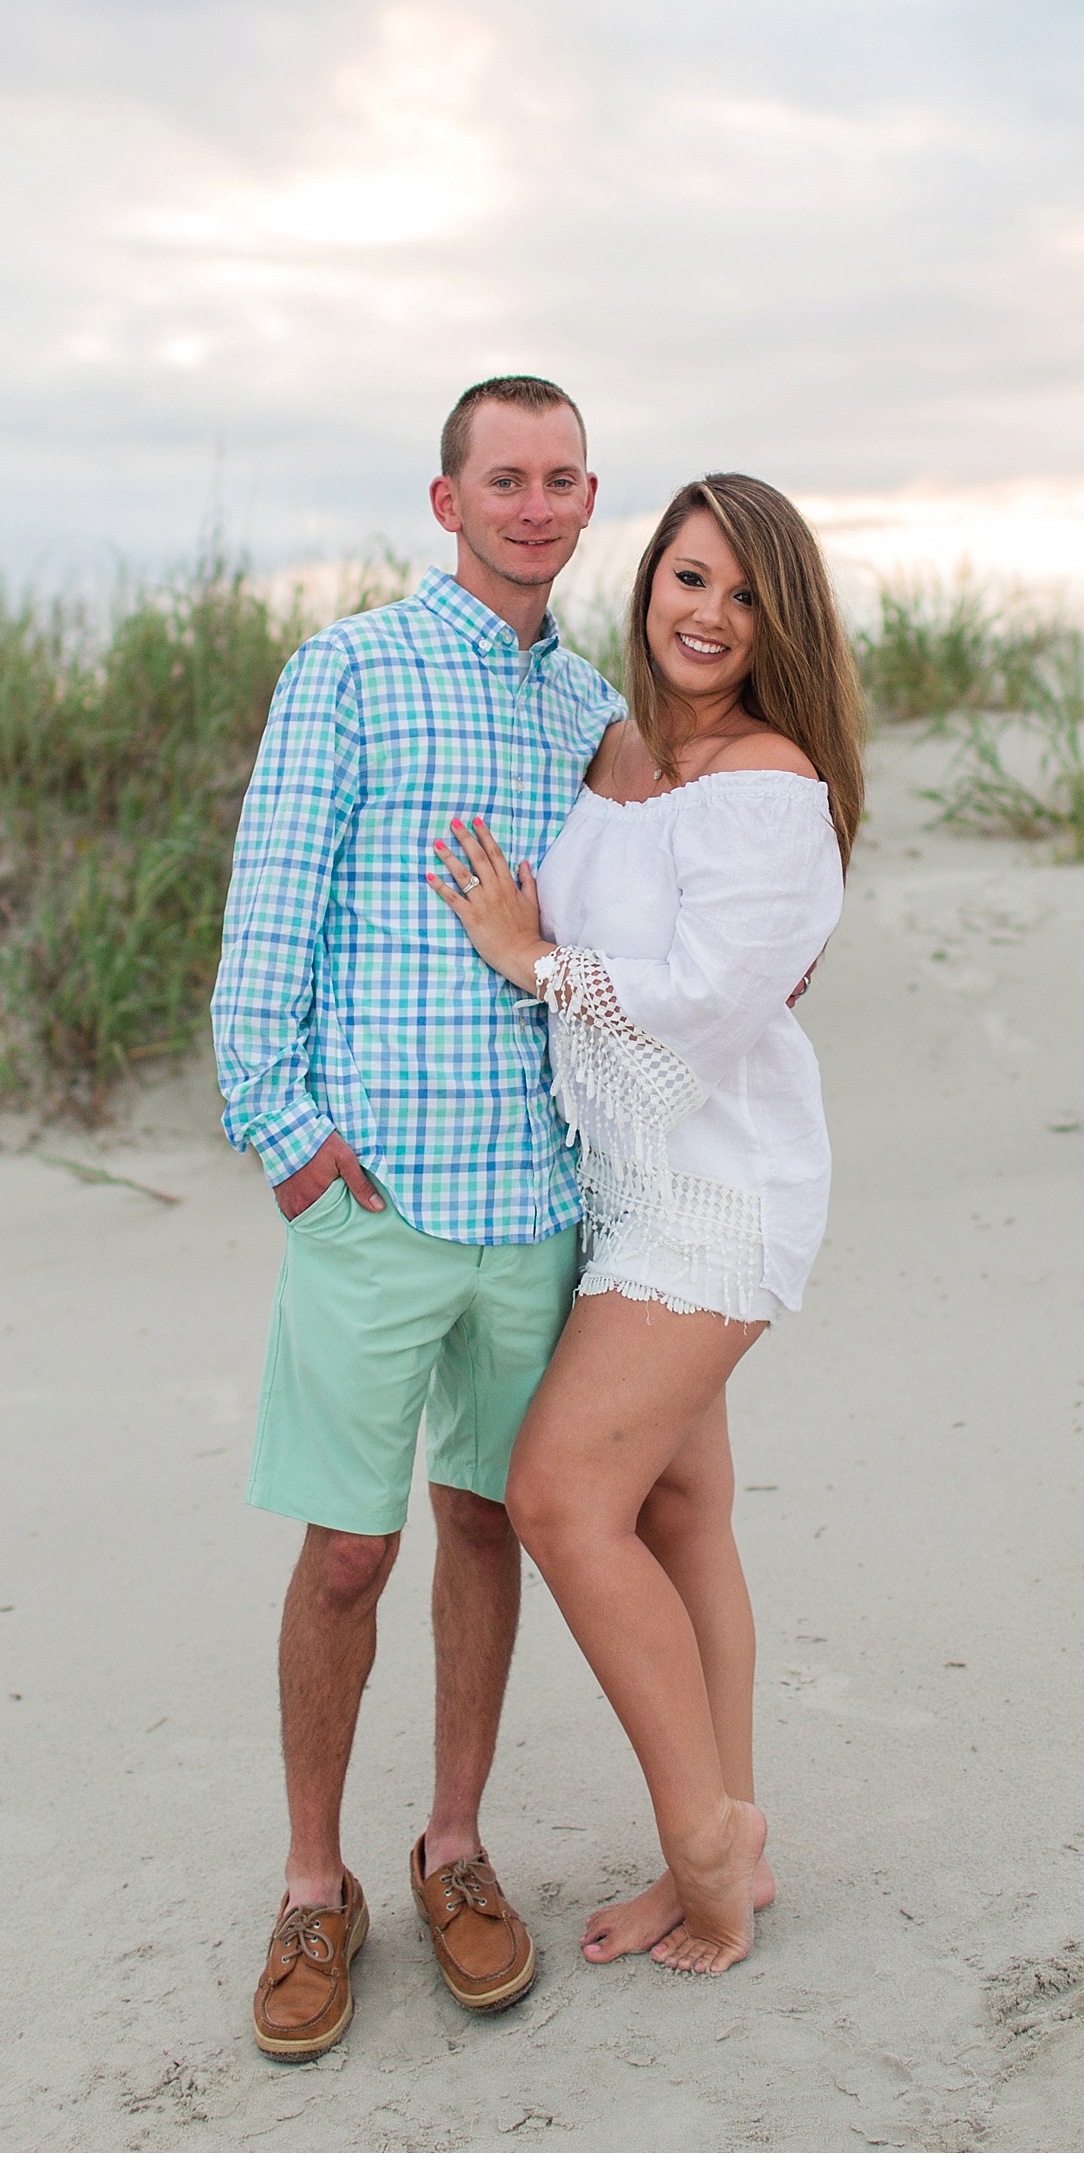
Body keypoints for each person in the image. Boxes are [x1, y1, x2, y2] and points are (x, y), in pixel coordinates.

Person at [212, 375, 623, 2061]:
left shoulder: (596, 708)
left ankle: (452, 1847)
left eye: (563, 479)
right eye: (502, 477)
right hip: (372, 1203)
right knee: (347, 1551)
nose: (535, 503)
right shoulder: (352, 673)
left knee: (483, 1528)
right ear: (446, 500)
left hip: (535, 1209)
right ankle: (315, 1883)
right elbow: (266, 929)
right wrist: (294, 1143)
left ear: (589, 502)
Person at [427, 472, 865, 1976]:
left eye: (744, 596)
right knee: (678, 1512)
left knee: (556, 1495)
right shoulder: (617, 744)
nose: (709, 614)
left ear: (778, 623)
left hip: (718, 1191)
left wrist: (527, 953)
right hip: (622, 1183)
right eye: (689, 577)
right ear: (651, 582)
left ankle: (705, 1861)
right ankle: (729, 1825)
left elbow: (698, 1001)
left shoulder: (770, 782)